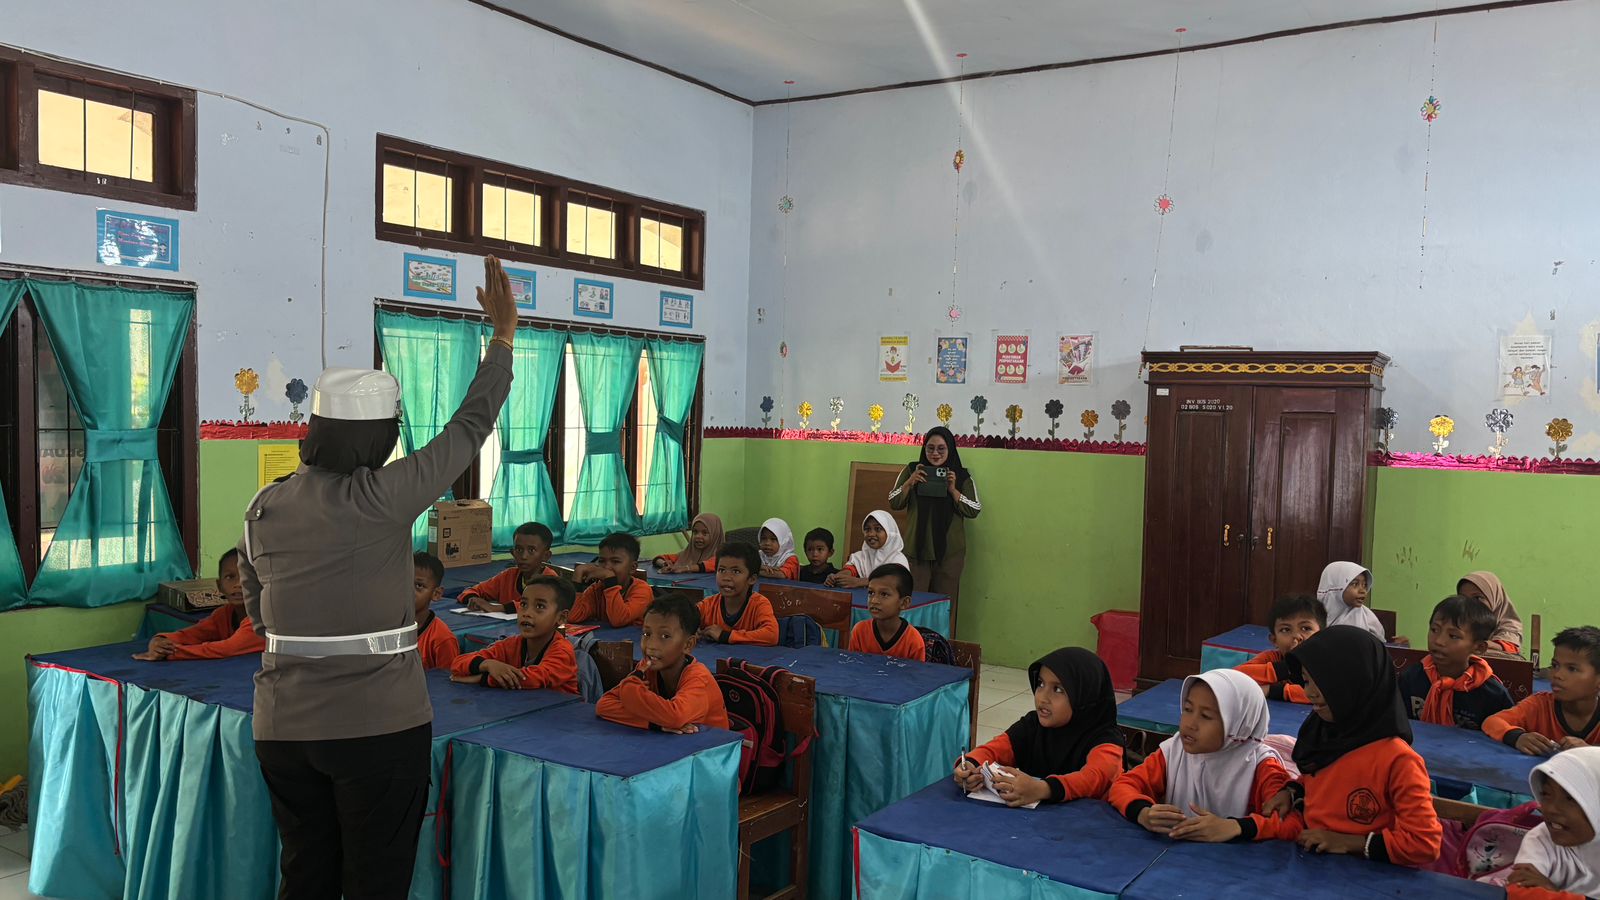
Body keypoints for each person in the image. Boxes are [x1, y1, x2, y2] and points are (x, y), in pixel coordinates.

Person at [240, 256, 517, 899]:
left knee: (305, 876)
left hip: (281, 728)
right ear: (378, 438)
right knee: (377, 883)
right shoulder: (384, 497)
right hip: (377, 728)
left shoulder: (263, 505)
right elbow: (469, 426)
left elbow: (258, 616)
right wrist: (502, 339)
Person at [1268, 626, 1442, 866]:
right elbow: (1319, 779)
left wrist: (1349, 842)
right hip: (1315, 865)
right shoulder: (1325, 732)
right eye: (1306, 681)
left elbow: (1424, 844)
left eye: (1323, 683)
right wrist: (1291, 792)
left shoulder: (1398, 760)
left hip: (1370, 875)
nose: (1310, 693)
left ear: (1358, 682)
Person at [1109, 669, 1290, 841]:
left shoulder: (1262, 766)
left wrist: (1236, 827)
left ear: (1238, 724)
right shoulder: (1174, 751)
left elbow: (1291, 822)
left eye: (1206, 716)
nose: (1190, 724)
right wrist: (1143, 812)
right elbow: (1124, 785)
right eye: (1188, 709)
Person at [951, 647, 1123, 807]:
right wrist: (970, 766)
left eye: (1058, 689)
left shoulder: (1106, 739)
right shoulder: (1033, 725)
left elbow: (1093, 779)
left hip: (1088, 823)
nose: (1042, 697)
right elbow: (996, 749)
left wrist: (1043, 789)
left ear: (1084, 697)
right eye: (1040, 684)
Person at [596, 593, 730, 731]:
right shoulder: (647, 668)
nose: (651, 645)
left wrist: (631, 690)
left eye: (665, 636)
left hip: (714, 744)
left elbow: (675, 717)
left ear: (688, 644)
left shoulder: (699, 678)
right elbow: (604, 705)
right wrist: (655, 724)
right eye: (647, 634)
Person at [888, 426, 980, 612]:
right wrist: (910, 482)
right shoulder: (913, 469)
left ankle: (938, 634)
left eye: (941, 448)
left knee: (942, 608)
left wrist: (953, 490)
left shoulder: (961, 476)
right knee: (912, 606)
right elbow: (894, 502)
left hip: (949, 554)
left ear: (950, 449)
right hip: (916, 551)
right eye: (930, 448)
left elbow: (974, 509)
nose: (935, 453)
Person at [1397, 595, 1513, 730]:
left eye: (1453, 636)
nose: (1439, 641)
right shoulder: (1411, 678)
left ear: (1479, 647)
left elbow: (1506, 732)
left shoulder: (1493, 695)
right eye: (1434, 630)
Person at [449, 576, 578, 693]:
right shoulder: (512, 644)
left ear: (561, 617)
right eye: (523, 604)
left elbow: (533, 679)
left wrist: (483, 679)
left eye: (540, 606)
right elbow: (458, 663)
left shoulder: (562, 651)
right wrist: (487, 664)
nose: (527, 613)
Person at [134, 548, 265, 660]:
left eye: (247, 577)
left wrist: (168, 653)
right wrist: (160, 641)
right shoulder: (224, 614)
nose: (238, 584)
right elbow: (194, 634)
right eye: (230, 577)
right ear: (219, 586)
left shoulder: (263, 618)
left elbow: (227, 649)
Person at [1485, 627, 1600, 754]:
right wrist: (1517, 737)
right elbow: (1492, 722)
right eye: (1555, 665)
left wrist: (1590, 751)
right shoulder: (1539, 705)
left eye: (1572, 669)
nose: (1557, 675)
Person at [1507, 747, 1600, 897]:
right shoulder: (1541, 839)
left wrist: (1554, 893)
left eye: (1571, 799)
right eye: (1546, 794)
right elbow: (1521, 890)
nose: (1551, 809)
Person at [1235, 594, 1323, 703]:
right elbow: (1234, 677)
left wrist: (1275, 690)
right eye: (1286, 630)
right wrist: (1287, 667)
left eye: (1306, 628)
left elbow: (1326, 694)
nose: (1296, 636)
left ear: (1322, 635)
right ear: (1274, 640)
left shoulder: (1325, 662)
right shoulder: (1273, 657)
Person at [460, 522, 557, 613]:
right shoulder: (508, 576)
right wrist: (473, 599)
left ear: (546, 556)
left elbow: (540, 605)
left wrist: (497, 608)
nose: (524, 556)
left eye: (531, 550)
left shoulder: (551, 580)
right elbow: (472, 590)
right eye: (519, 549)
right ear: (512, 553)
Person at [695, 541, 778, 646]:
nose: (726, 577)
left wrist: (725, 636)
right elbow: (684, 618)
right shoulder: (708, 605)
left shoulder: (759, 604)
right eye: (721, 570)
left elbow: (771, 635)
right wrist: (690, 629)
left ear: (752, 579)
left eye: (736, 571)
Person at [568, 533, 653, 627]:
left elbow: (619, 619)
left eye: (615, 561)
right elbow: (573, 617)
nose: (607, 567)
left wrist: (610, 579)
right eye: (601, 561)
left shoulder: (642, 590)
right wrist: (577, 578)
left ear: (632, 568)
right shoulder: (596, 589)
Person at [846, 563, 925, 661]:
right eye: (871, 592)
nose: (874, 600)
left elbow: (916, 671)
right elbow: (852, 666)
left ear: (904, 603)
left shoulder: (913, 640)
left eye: (884, 594)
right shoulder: (860, 631)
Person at [827, 510, 908, 589]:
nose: (871, 534)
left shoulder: (897, 559)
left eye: (878, 529)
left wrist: (859, 582)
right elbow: (848, 571)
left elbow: (895, 581)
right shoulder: (860, 557)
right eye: (867, 529)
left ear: (889, 533)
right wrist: (836, 578)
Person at [1458, 571, 1525, 656]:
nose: (1470, 604)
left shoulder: (1509, 625)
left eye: (1477, 598)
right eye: (1463, 598)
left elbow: (1511, 648)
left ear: (1495, 598)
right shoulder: (1456, 620)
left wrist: (1484, 645)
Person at [1316, 561, 1386, 643]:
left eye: (1364, 585)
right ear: (1336, 587)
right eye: (1355, 584)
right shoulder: (1313, 616)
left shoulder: (1369, 620)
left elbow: (1380, 646)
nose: (1363, 591)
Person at [412, 552, 458, 671]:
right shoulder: (387, 626)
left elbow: (447, 679)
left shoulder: (442, 639)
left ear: (436, 594)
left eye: (419, 586)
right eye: (404, 583)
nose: (408, 591)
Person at [652, 513, 723, 574]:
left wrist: (686, 568)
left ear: (715, 535)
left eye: (704, 533)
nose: (698, 536)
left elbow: (713, 564)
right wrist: (664, 564)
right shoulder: (687, 555)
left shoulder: (723, 558)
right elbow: (658, 558)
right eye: (695, 532)